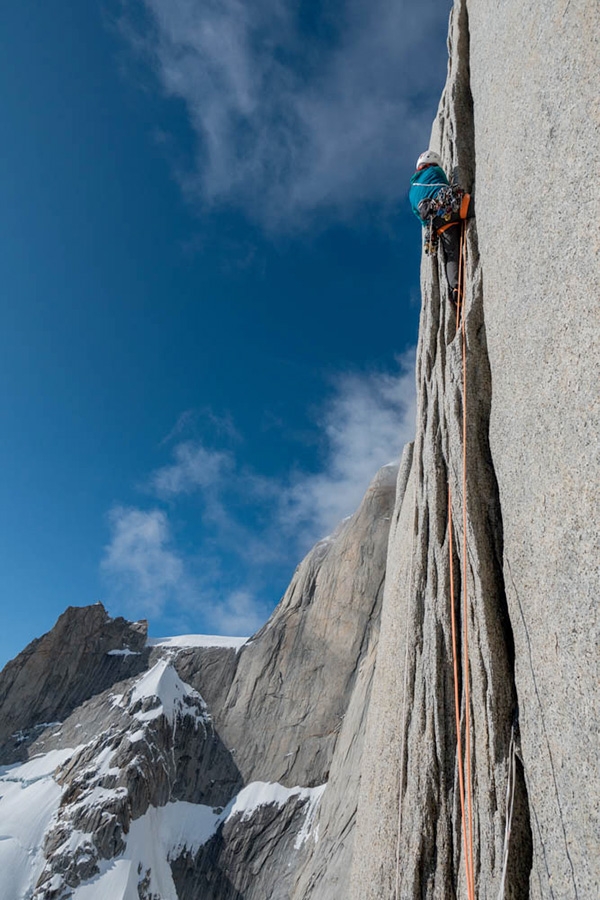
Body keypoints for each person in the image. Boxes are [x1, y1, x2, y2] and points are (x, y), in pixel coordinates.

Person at [409, 150, 471, 306]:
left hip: (438, 223)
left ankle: (455, 288)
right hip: (450, 206)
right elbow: (445, 185)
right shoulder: (435, 170)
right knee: (477, 204)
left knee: (451, 254)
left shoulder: (411, 194)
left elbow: (422, 220)